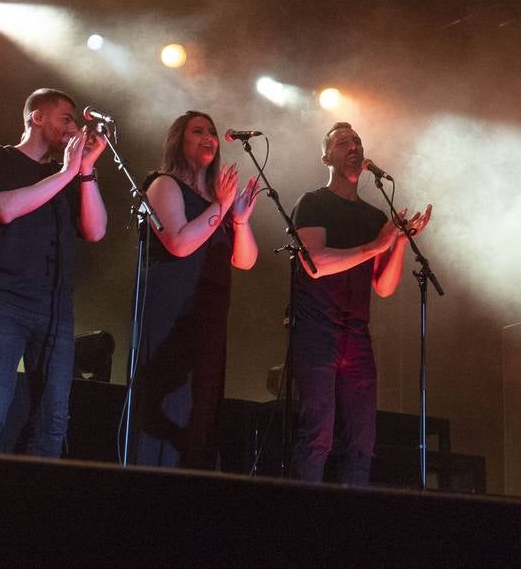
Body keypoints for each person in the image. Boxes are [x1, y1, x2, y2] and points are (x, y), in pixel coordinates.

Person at [0, 87, 108, 456]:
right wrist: (66, 172)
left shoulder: (67, 174)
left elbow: (95, 231)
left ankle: (33, 505)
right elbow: (5, 209)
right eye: (65, 118)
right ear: (37, 117)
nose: (73, 128)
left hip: (56, 308)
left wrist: (86, 172)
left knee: (54, 418)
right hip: (5, 303)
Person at [289, 122, 431, 485]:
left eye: (357, 141)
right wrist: (376, 246)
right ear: (326, 157)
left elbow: (384, 287)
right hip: (316, 329)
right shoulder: (314, 202)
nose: (353, 146)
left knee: (361, 443)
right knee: (317, 435)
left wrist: (399, 240)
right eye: (342, 142)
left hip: (357, 333)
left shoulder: (373, 217)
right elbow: (315, 263)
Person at [133, 111, 260, 468]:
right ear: (179, 140)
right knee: (172, 397)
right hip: (172, 308)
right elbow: (178, 244)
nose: (209, 137)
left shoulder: (217, 200)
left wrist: (240, 219)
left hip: (209, 314)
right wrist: (220, 207)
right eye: (198, 131)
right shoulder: (164, 184)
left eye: (213, 132)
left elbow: (245, 260)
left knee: (201, 408)